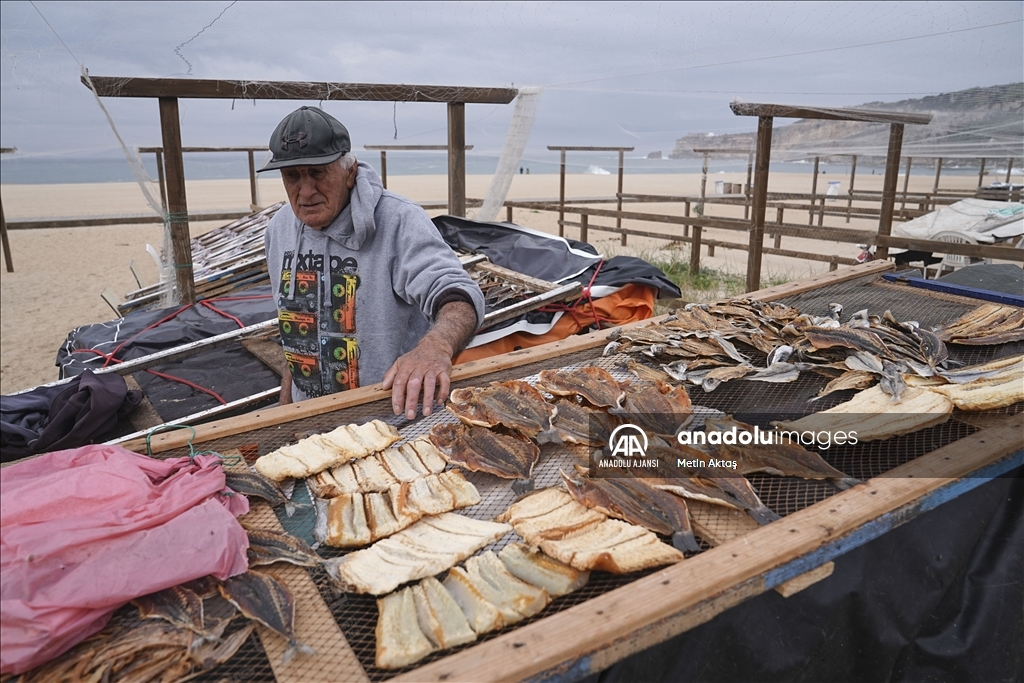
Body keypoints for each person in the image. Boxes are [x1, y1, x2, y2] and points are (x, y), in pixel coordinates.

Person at [257, 106, 484, 419]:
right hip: (310, 422)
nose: (306, 191)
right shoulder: (279, 230)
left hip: (391, 424)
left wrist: (436, 347)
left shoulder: (399, 221)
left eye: (318, 173)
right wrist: (285, 412)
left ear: (349, 172)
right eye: (293, 176)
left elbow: (458, 296)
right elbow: (295, 331)